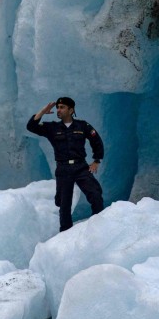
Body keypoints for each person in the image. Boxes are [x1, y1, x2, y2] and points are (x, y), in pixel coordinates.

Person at [25, 96, 105, 232]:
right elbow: (31, 126)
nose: (59, 110)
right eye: (58, 108)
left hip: (81, 167)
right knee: (64, 204)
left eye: (62, 107)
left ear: (71, 110)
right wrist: (43, 111)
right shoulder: (52, 127)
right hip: (63, 169)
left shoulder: (82, 125)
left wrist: (97, 160)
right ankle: (65, 234)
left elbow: (96, 140)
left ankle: (98, 228)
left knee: (95, 194)